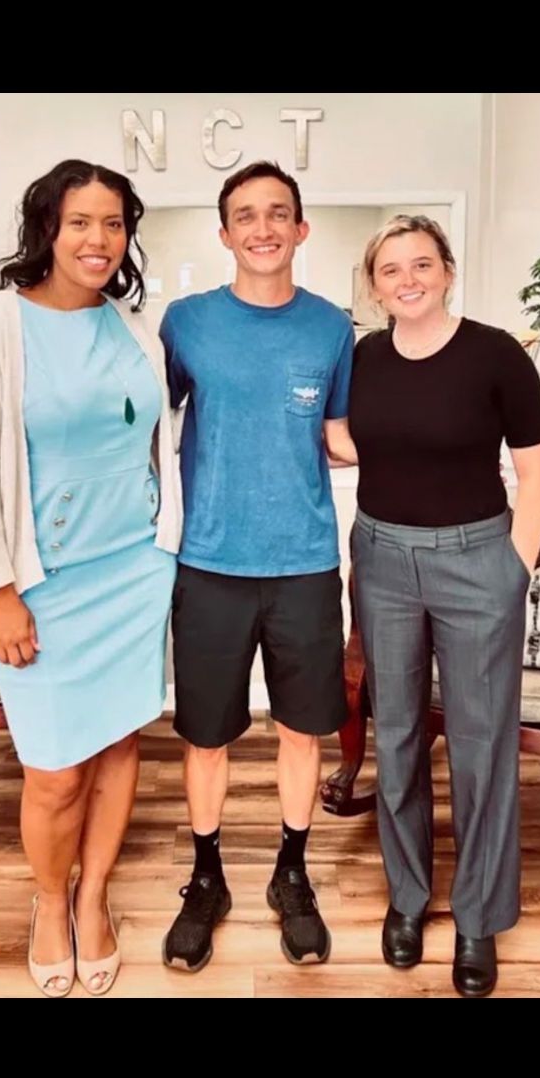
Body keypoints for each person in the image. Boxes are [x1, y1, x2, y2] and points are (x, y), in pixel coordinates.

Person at [0, 159, 183, 997]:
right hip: (41, 588)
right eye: (80, 221)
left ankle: (95, 901)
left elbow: (156, 442)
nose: (98, 239)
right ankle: (51, 903)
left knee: (120, 745)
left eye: (113, 224)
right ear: (46, 226)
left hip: (134, 572)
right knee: (53, 771)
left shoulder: (136, 328)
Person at [331, 214, 540, 996]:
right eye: (390, 270)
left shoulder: (496, 355)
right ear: (375, 284)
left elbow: (536, 477)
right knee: (395, 734)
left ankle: (479, 918)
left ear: (448, 270)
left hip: (477, 563)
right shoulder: (363, 358)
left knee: (481, 742)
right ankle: (407, 897)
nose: (407, 280)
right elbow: (353, 441)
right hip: (383, 559)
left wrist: (512, 571)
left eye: (421, 264)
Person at [159, 162, 354, 972]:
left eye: (279, 214)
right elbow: (142, 424)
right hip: (208, 562)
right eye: (246, 215)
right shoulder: (185, 324)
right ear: (225, 233)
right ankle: (206, 879)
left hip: (306, 562)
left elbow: (340, 436)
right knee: (206, 736)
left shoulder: (333, 327)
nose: (263, 228)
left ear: (301, 230)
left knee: (305, 730)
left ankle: (291, 873)